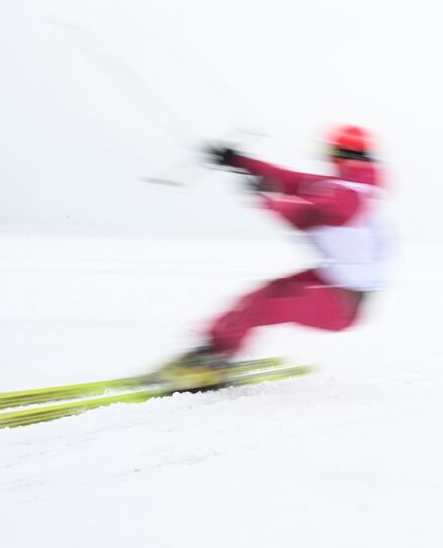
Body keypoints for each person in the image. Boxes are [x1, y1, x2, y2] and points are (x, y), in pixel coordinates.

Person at [156, 124, 389, 388]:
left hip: (343, 302)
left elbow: (310, 213)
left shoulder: (349, 195)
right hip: (337, 282)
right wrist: (238, 160)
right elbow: (289, 179)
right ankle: (212, 351)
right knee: (258, 297)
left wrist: (267, 198)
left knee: (260, 306)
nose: (327, 158)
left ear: (341, 154)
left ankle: (214, 360)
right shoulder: (345, 186)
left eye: (329, 152)